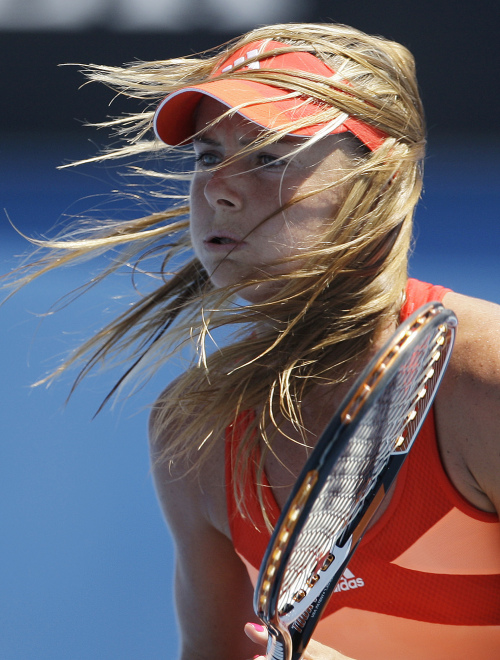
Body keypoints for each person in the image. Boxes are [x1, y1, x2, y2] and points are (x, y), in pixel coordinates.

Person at [5, 22, 500, 660]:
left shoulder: (484, 381)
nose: (218, 188)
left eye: (270, 155)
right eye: (207, 156)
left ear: (381, 183)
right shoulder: (193, 432)